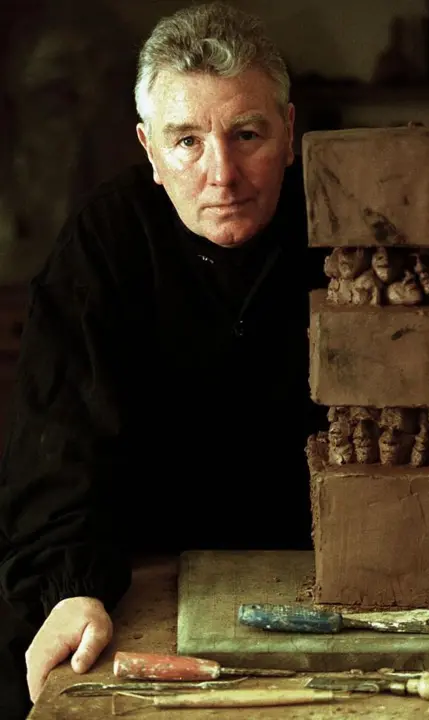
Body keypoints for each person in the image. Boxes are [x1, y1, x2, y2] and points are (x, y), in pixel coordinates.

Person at [0, 3, 324, 717]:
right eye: (187, 141)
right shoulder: (103, 243)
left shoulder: (349, 224)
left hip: (325, 566)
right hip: (144, 564)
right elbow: (58, 447)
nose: (223, 175)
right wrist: (71, 585)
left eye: (248, 134)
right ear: (148, 149)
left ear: (290, 132)